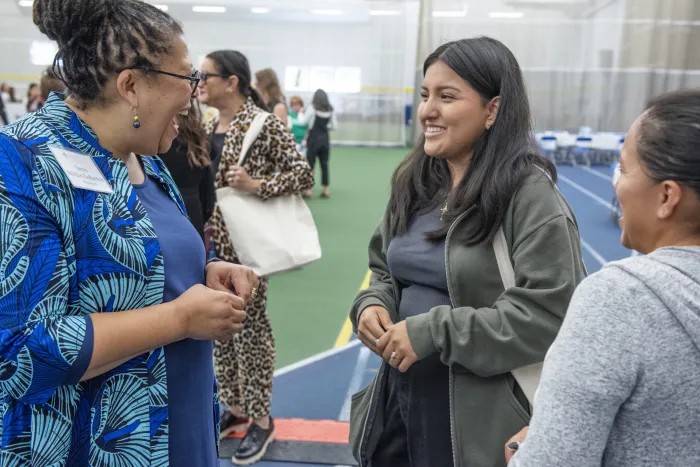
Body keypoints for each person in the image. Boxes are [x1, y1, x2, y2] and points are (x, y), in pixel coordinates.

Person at [0, 1, 259, 465]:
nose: (195, 93)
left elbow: (140, 264)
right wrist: (179, 319)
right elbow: (20, 352)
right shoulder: (23, 162)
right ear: (131, 85)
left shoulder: (146, 160)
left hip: (183, 426)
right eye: (186, 79)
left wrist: (202, 272)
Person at [348, 37, 587, 467]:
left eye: (447, 96)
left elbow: (553, 313)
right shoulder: (416, 181)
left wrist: (434, 332)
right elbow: (385, 268)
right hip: (401, 405)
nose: (428, 111)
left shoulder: (528, 195)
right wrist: (371, 303)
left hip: (479, 426)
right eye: (425, 96)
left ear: (492, 110)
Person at [505, 89, 700, 467]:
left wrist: (525, 454)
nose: (616, 183)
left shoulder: (621, 298)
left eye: (624, 169)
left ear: (667, 197)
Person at [199, 50, 314, 465]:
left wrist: (255, 183)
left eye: (206, 75)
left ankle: (261, 419)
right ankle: (234, 407)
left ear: (232, 82)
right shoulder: (210, 122)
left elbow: (303, 175)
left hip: (249, 249)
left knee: (250, 331)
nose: (200, 82)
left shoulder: (263, 124)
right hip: (213, 245)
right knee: (220, 329)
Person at [159, 100, 215, 240]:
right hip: (193, 214)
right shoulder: (198, 136)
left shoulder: (156, 139)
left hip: (164, 214)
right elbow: (208, 194)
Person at [302, 89, 337, 199]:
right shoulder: (330, 109)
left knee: (310, 165)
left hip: (313, 139)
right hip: (325, 139)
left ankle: (308, 190)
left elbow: (303, 121)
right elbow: (334, 126)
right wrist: (325, 128)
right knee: (324, 165)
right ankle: (325, 190)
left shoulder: (312, 108)